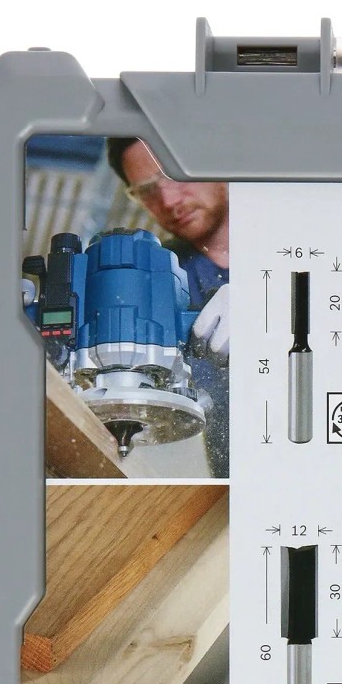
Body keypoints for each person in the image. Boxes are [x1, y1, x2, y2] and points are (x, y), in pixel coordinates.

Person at [106, 138, 230, 475]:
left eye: (174, 174)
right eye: (147, 191)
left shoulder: (306, 240)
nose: (168, 201)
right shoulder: (152, 277)